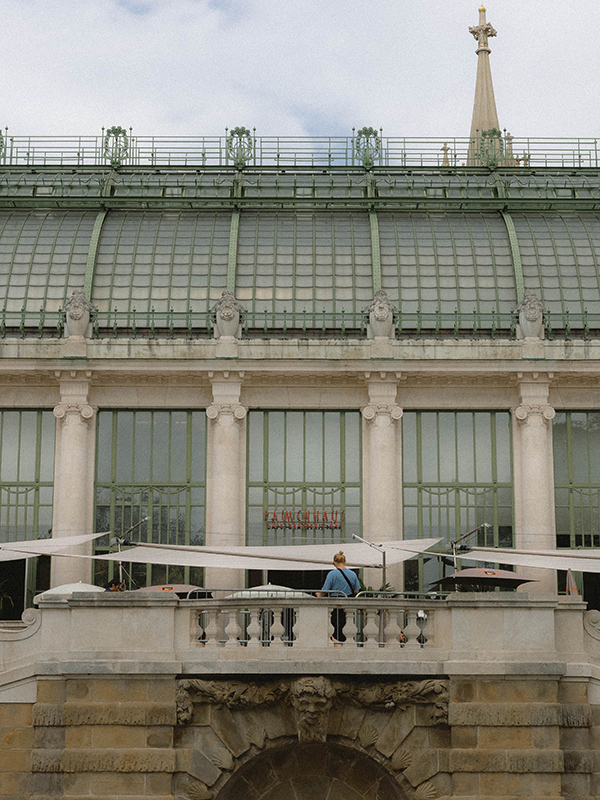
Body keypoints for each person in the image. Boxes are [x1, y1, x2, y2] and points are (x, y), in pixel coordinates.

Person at [317, 551, 360, 645]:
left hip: (335, 603)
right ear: (344, 561)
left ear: (334, 562)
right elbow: (357, 591)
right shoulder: (352, 574)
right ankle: (345, 642)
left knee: (335, 625)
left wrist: (318, 595)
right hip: (348, 603)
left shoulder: (332, 574)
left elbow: (325, 590)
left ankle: (337, 643)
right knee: (346, 623)